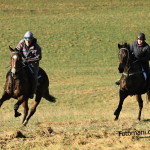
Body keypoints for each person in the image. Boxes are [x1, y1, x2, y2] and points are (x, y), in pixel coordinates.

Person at [16, 31, 42, 98]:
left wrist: (29, 60)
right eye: (26, 41)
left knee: (34, 77)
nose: (27, 42)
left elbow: (39, 57)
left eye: (29, 41)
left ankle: (32, 92)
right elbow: (17, 50)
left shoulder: (37, 47)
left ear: (32, 40)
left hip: (33, 64)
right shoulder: (22, 42)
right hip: (23, 61)